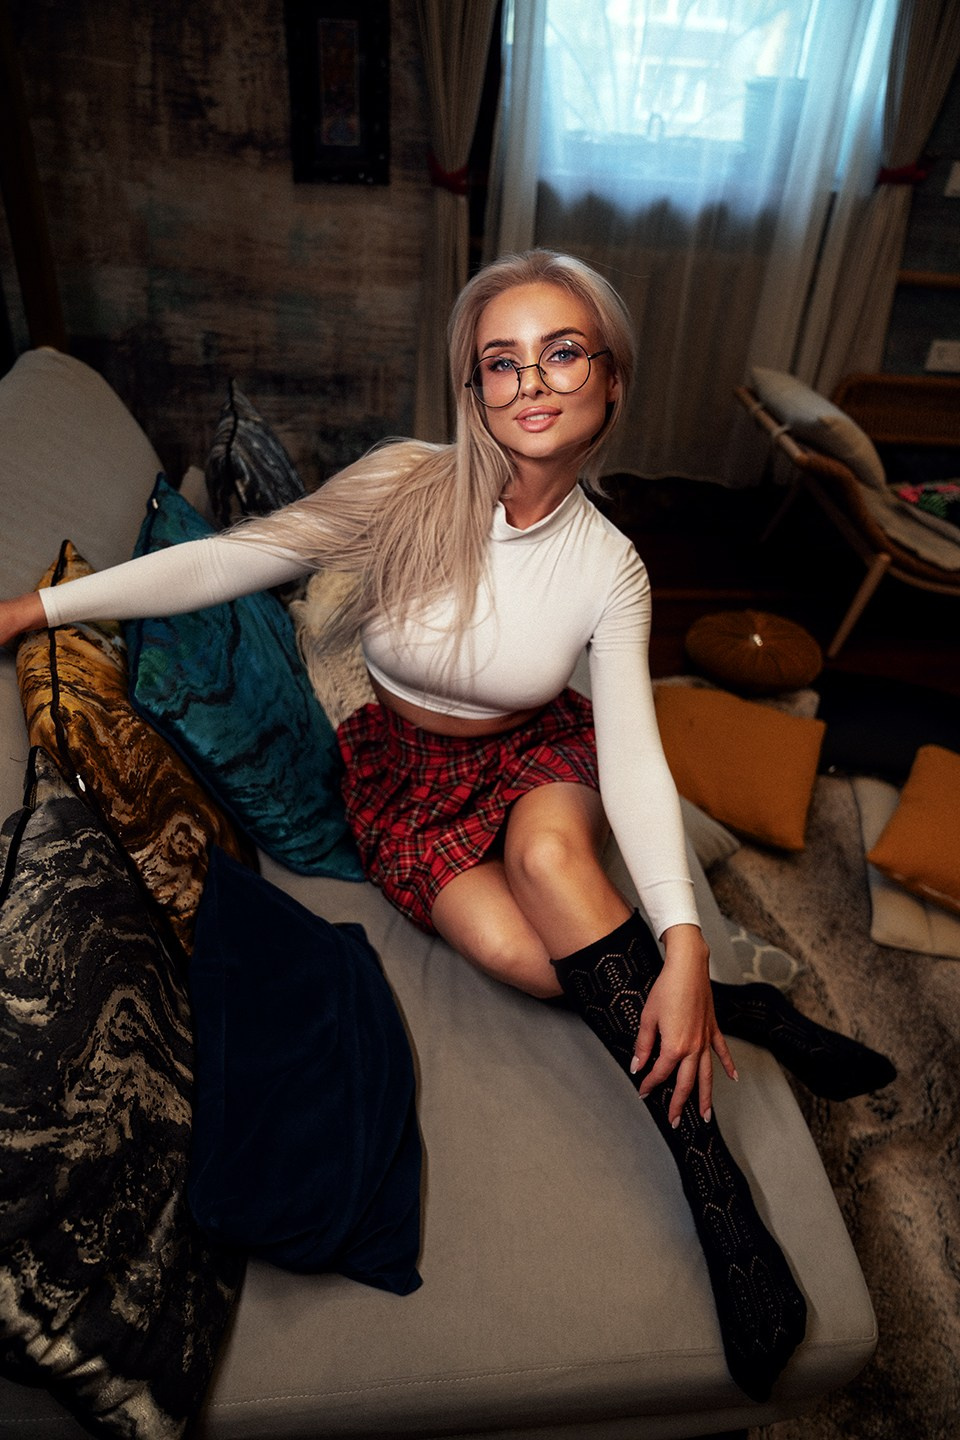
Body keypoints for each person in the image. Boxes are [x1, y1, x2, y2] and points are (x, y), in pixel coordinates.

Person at [0, 249, 892, 1400]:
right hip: (407, 780)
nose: (533, 381)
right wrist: (38, 606)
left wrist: (679, 937)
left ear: (611, 379)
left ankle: (718, 1194)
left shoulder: (611, 567)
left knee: (553, 861)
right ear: (473, 390)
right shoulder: (405, 484)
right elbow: (231, 560)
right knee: (529, 960)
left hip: (537, 757)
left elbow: (632, 756)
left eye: (562, 352)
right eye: (501, 362)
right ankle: (747, 1008)